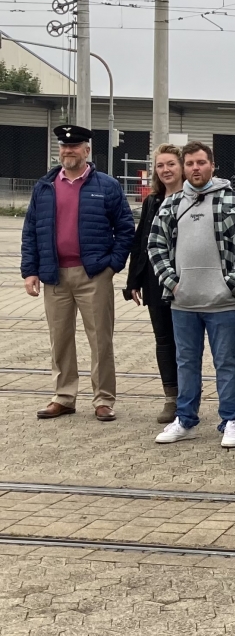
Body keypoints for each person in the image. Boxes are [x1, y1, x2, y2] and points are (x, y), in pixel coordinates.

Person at [22, 124, 135, 422]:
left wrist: (112, 266)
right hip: (54, 275)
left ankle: (103, 399)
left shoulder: (106, 186)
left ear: (86, 150)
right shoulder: (44, 186)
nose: (68, 151)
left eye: (74, 146)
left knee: (101, 339)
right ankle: (63, 396)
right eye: (63, 146)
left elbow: (125, 229)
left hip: (93, 275)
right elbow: (31, 231)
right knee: (59, 339)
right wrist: (30, 271)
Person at [147, 141, 235, 446]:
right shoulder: (170, 205)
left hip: (222, 302)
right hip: (183, 302)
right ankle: (186, 420)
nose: (196, 168)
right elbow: (154, 245)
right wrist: (171, 283)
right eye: (190, 163)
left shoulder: (233, 202)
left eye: (201, 163)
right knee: (186, 362)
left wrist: (232, 282)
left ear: (212, 165)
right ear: (185, 167)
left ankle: (231, 419)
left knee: (226, 362)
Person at [124, 144, 186, 424]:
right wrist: (133, 281)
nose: (166, 170)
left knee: (185, 342)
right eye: (160, 166)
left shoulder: (192, 198)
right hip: (154, 280)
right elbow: (140, 242)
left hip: (186, 282)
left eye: (171, 164)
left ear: (182, 166)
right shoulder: (152, 201)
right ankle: (171, 398)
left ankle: (188, 398)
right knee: (163, 340)